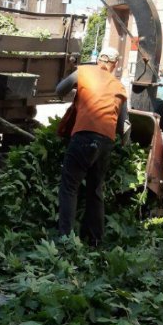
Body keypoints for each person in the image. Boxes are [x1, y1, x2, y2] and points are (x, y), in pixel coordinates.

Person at [54, 46, 128, 247]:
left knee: (69, 187)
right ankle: (95, 239)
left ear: (98, 60)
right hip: (105, 142)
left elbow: (60, 90)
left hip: (83, 136)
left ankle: (65, 238)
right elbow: (122, 126)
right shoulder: (120, 87)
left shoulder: (84, 71)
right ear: (115, 65)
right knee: (95, 189)